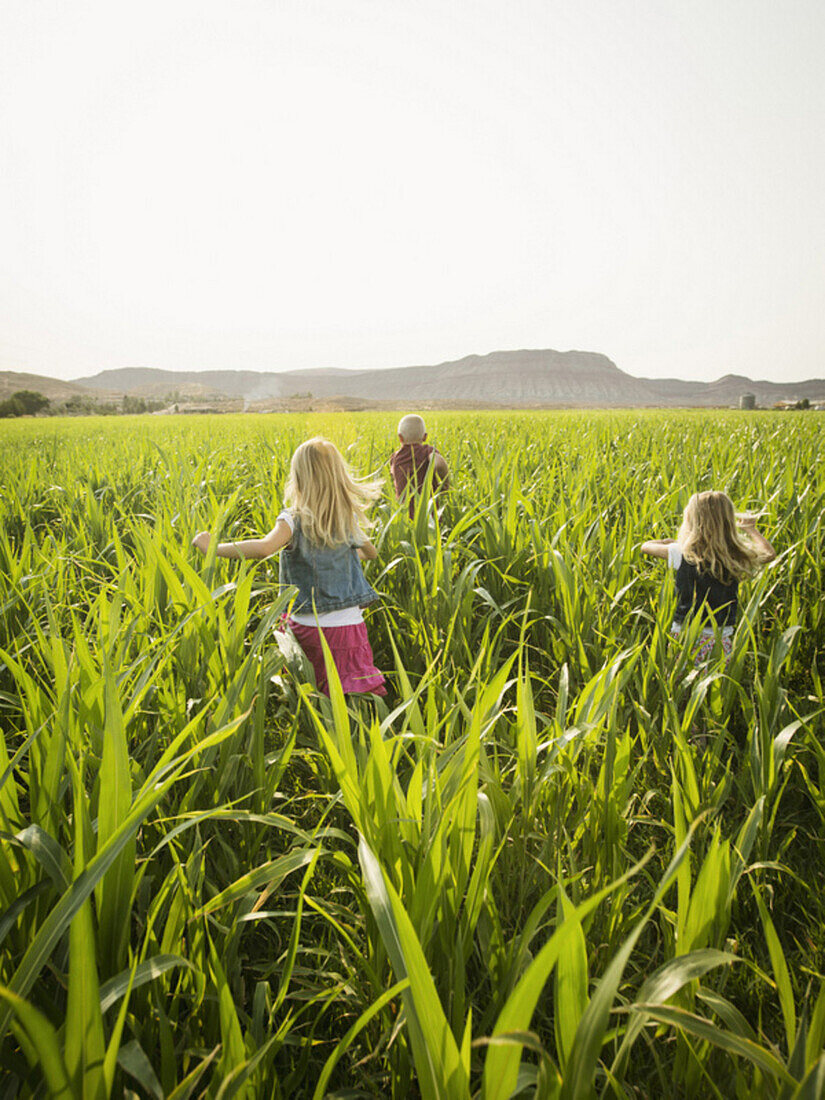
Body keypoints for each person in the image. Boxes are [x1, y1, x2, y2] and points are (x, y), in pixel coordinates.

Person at [192, 437, 386, 696]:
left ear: (299, 478)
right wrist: (341, 557)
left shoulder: (293, 519)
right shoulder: (346, 518)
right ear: (338, 476)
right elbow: (370, 553)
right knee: (352, 690)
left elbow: (263, 548)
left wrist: (213, 547)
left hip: (307, 626)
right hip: (348, 627)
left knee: (309, 691)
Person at [640, 491, 776, 662]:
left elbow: (646, 546)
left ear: (692, 520)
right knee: (715, 687)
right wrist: (751, 530)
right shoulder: (735, 555)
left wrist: (668, 542)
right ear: (728, 521)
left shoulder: (683, 553)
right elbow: (769, 554)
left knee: (681, 686)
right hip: (719, 642)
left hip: (685, 639)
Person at [389, 414, 450, 515]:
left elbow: (394, 478)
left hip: (404, 519)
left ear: (400, 437)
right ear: (425, 437)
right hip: (429, 518)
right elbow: (439, 464)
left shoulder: (395, 458)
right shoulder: (426, 451)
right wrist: (445, 483)